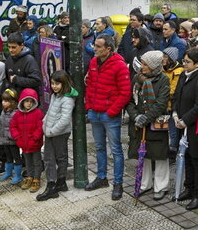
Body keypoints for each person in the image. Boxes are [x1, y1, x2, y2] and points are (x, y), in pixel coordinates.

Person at [84, 33, 132, 200]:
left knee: (116, 150)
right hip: (95, 113)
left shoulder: (119, 66)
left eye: (98, 47)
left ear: (108, 49)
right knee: (99, 147)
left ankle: (118, 183)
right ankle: (101, 177)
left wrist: (111, 111)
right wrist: (89, 106)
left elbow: (125, 92)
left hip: (109, 115)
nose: (94, 49)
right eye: (94, 45)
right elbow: (90, 85)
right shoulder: (93, 62)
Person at [127, 51, 171, 201]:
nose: (142, 66)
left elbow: (161, 103)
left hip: (156, 123)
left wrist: (146, 118)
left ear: (153, 66)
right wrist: (136, 116)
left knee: (159, 154)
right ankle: (145, 184)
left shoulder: (163, 79)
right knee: (142, 153)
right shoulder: (136, 78)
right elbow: (130, 100)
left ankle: (161, 186)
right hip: (139, 123)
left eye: (145, 64)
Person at [172, 48, 198, 209]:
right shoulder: (183, 74)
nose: (184, 64)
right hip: (180, 123)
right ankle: (189, 187)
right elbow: (176, 96)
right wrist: (174, 113)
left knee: (196, 159)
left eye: (187, 62)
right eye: (184, 61)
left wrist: (185, 120)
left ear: (197, 63)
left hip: (194, 127)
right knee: (185, 157)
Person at [37, 70, 77, 201]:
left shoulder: (67, 99)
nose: (54, 86)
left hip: (59, 133)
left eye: (57, 84)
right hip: (50, 132)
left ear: (64, 84)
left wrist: (52, 131)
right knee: (49, 159)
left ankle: (59, 183)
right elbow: (49, 112)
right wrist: (44, 124)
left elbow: (65, 119)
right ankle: (53, 184)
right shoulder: (55, 95)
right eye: (52, 83)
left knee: (61, 157)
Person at [11, 88, 45, 192]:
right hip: (24, 144)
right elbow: (13, 127)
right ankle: (29, 177)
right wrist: (17, 138)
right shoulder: (17, 114)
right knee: (28, 162)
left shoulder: (38, 113)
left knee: (37, 162)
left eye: (31, 101)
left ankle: (36, 179)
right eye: (27, 101)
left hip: (35, 144)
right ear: (22, 101)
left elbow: (40, 127)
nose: (29, 104)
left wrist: (35, 138)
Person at [0, 89, 24, 184]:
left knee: (16, 157)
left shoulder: (16, 113)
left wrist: (13, 135)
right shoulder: (3, 111)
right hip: (4, 139)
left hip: (13, 140)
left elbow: (19, 127)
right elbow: (0, 122)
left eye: (6, 101)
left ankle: (18, 175)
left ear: (13, 102)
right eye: (3, 100)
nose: (3, 103)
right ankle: (8, 172)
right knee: (8, 157)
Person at [163, 48, 184, 159]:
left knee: (173, 131)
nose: (163, 59)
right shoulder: (164, 69)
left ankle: (172, 152)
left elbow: (173, 89)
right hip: (164, 105)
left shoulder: (178, 71)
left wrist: (162, 92)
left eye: (165, 57)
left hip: (172, 106)